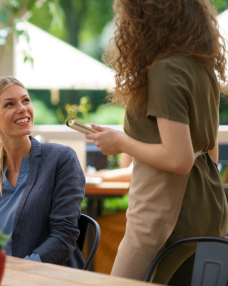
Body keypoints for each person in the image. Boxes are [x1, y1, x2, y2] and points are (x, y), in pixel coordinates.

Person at [87, 0, 228, 283]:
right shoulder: (201, 67)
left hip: (163, 217)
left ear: (142, 19)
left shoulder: (164, 70)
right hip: (207, 210)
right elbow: (208, 152)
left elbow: (179, 159)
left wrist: (121, 143)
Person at [0, 77, 85, 268]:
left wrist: (19, 272)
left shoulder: (60, 160)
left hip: (44, 278)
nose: (22, 108)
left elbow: (64, 237)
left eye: (26, 100)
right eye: (10, 104)